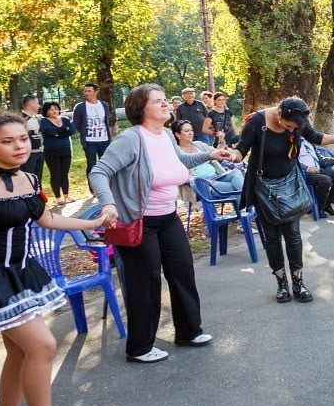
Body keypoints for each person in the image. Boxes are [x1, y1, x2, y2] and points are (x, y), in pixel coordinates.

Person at [0, 111, 106, 406]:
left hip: (23, 273)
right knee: (43, 346)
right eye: (7, 141)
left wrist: (91, 222)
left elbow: (47, 219)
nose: (18, 146)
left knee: (20, 352)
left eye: (22, 138)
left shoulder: (31, 180)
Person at [90, 84, 227, 363]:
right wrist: (108, 203)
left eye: (166, 100)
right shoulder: (131, 140)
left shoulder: (165, 134)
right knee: (146, 283)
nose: (166, 105)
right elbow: (99, 171)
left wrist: (210, 155)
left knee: (182, 272)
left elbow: (181, 160)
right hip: (139, 222)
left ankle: (189, 331)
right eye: (158, 101)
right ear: (142, 109)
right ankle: (139, 347)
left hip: (167, 218)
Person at [228, 98, 334, 301]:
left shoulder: (298, 122)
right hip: (264, 188)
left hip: (290, 185)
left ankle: (298, 282)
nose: (291, 130)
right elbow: (241, 151)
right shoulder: (256, 123)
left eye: (294, 128)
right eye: (288, 126)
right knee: (271, 238)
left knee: (293, 235)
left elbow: (315, 137)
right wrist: (232, 155)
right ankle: (281, 283)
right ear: (279, 113)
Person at [172, 120, 244, 195]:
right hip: (201, 183)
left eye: (192, 130)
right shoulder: (176, 152)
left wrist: (221, 139)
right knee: (234, 187)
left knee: (236, 172)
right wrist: (199, 181)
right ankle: (249, 205)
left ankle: (248, 205)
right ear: (177, 134)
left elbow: (218, 152)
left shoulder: (198, 145)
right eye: (187, 131)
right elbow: (181, 175)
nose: (191, 133)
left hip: (216, 176)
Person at [298, 137, 334, 217]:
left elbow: (321, 160)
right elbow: (292, 163)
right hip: (304, 173)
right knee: (325, 180)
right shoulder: (292, 143)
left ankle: (327, 204)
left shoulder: (309, 142)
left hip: (318, 170)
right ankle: (318, 208)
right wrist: (307, 168)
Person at [39, 101, 76, 206]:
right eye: (51, 109)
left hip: (66, 149)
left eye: (56, 108)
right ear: (46, 112)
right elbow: (48, 131)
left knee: (64, 174)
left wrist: (57, 132)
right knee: (55, 174)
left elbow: (72, 130)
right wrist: (64, 130)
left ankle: (66, 196)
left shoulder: (64, 119)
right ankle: (58, 198)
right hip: (51, 151)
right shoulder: (44, 121)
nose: (54, 111)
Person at [71, 83, 112, 177]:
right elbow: (76, 123)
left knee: (105, 163)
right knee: (91, 164)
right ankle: (92, 186)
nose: (86, 93)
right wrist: (84, 133)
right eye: (85, 91)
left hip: (104, 139)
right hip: (89, 141)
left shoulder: (104, 105)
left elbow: (106, 120)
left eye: (89, 91)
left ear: (96, 92)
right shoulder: (80, 107)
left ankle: (106, 183)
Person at [19, 95, 44, 182]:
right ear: (30, 104)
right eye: (37, 103)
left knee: (38, 179)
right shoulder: (21, 119)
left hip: (39, 152)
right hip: (28, 155)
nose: (39, 106)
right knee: (29, 179)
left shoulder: (36, 118)